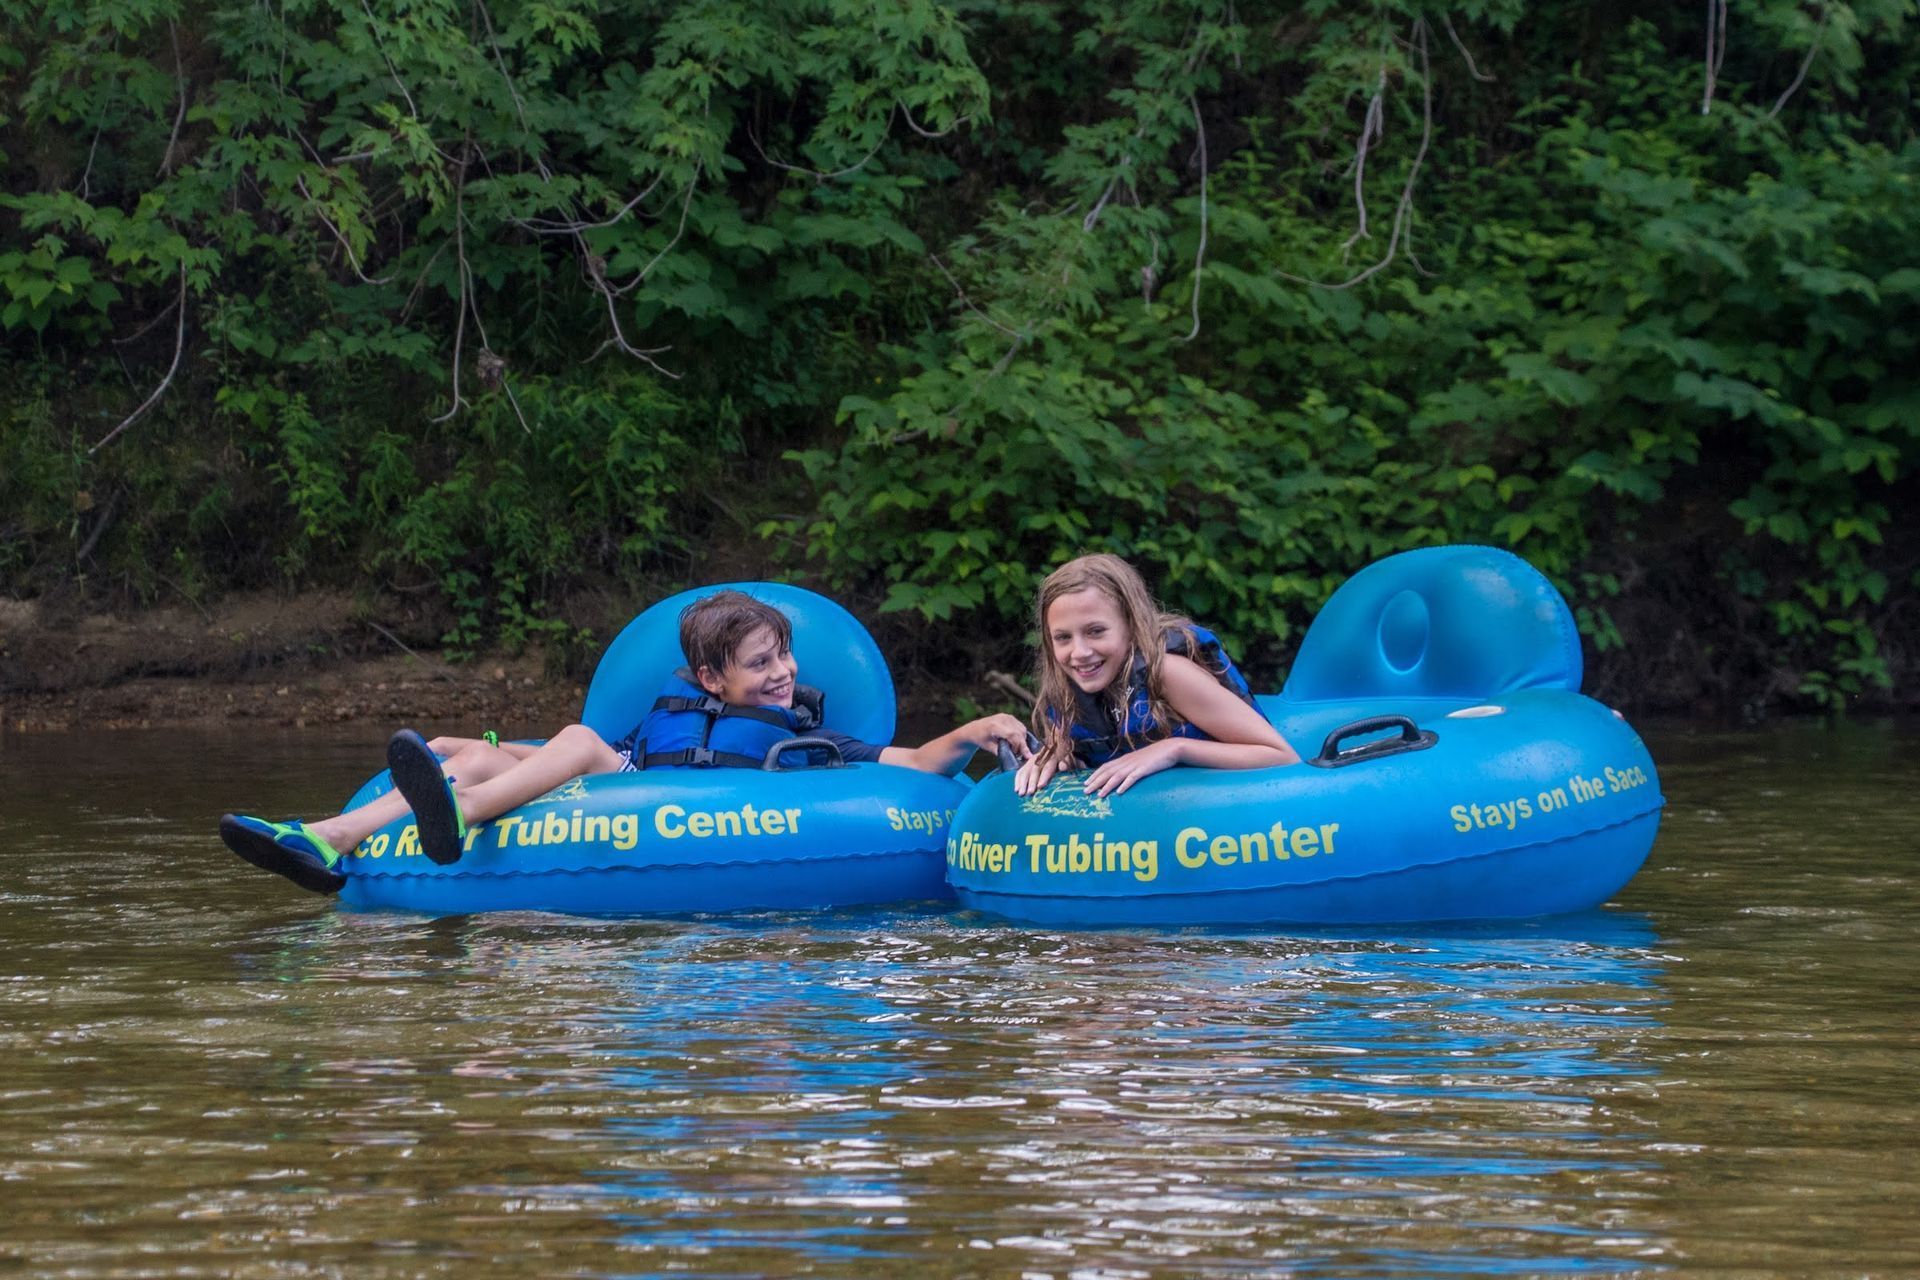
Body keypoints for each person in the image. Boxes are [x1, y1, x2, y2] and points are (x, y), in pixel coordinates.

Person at [221, 589, 1032, 894]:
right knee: (453, 747)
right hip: (628, 774)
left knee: (572, 738)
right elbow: (623, 755)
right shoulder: (669, 705)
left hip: (646, 782)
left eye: (783, 657)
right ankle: (326, 839)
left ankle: (464, 817)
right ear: (708, 680)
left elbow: (923, 767)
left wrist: (978, 728)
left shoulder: (811, 742)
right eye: (761, 663)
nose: (783, 673)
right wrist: (484, 746)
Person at [1013, 553, 1299, 799]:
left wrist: (1175, 749)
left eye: (1095, 631)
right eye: (1063, 637)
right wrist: (1060, 755)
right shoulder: (1064, 689)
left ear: (1131, 626)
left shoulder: (1168, 673)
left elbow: (1280, 755)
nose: (1079, 652)